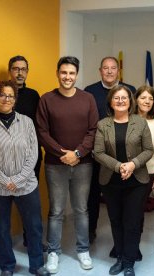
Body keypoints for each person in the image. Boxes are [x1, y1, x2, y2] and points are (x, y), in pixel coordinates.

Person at [36, 56, 99, 273]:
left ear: (77, 74)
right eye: (64, 72)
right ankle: (53, 252)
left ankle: (83, 250)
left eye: (71, 73)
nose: (67, 77)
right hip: (56, 164)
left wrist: (79, 153)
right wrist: (63, 153)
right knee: (56, 211)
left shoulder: (88, 99)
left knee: (81, 209)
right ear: (57, 73)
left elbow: (93, 130)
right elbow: (42, 132)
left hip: (83, 164)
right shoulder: (46, 99)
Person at [0, 80, 49, 276]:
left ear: (15, 99)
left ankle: (37, 265)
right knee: (2, 227)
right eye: (2, 95)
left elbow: (33, 153)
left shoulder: (26, 122)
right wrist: (5, 181)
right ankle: (7, 265)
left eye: (10, 96)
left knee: (34, 226)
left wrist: (17, 180)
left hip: (26, 185)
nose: (6, 99)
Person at [94, 85, 153, 276]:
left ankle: (129, 262)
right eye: (116, 98)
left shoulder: (140, 122)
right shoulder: (103, 124)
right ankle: (119, 256)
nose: (120, 101)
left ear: (130, 101)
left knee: (132, 222)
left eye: (124, 98)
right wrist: (119, 166)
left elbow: (148, 150)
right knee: (116, 220)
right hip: (111, 181)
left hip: (136, 181)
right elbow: (98, 152)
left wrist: (132, 164)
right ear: (110, 102)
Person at [84, 56, 136, 244]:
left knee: (122, 198)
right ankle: (90, 231)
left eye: (113, 68)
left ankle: (122, 240)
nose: (109, 71)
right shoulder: (89, 92)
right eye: (105, 68)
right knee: (92, 195)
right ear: (100, 71)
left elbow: (136, 122)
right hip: (97, 154)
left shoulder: (130, 91)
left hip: (123, 156)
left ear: (118, 71)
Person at [8, 55, 44, 249]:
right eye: (16, 68)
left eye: (23, 69)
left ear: (27, 72)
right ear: (10, 71)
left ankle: (32, 240)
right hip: (8, 160)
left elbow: (40, 125)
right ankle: (5, 248)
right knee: (6, 204)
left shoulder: (33, 95)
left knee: (31, 202)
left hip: (32, 157)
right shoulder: (1, 95)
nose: (20, 72)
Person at [134, 85, 154, 209]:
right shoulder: (126, 120)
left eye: (151, 99)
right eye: (143, 97)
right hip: (128, 171)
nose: (147, 101)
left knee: (139, 210)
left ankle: (137, 229)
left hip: (148, 173)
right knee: (127, 209)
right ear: (136, 100)